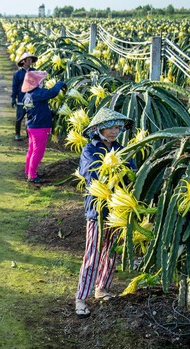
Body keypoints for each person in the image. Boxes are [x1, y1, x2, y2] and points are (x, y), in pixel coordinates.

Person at [75, 107, 135, 318]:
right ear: (98, 129)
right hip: (97, 210)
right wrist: (112, 172)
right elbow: (90, 173)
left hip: (117, 209)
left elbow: (133, 173)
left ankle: (102, 288)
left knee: (111, 252)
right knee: (92, 253)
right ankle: (81, 297)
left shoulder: (122, 149)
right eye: (109, 127)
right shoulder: (89, 150)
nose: (114, 131)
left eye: (117, 127)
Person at [21, 70, 65, 184]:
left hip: (32, 126)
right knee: (38, 152)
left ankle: (29, 171)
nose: (42, 83)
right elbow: (52, 93)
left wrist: (50, 113)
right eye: (41, 81)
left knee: (31, 150)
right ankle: (32, 176)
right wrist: (60, 84)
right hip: (39, 127)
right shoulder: (37, 93)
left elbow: (37, 109)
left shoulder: (28, 95)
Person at [11, 52, 37, 141]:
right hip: (21, 97)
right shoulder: (17, 73)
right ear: (23, 61)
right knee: (19, 117)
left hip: (31, 98)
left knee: (30, 117)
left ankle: (29, 135)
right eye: (28, 59)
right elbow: (14, 86)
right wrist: (13, 98)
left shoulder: (34, 72)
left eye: (31, 60)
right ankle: (17, 134)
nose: (30, 61)